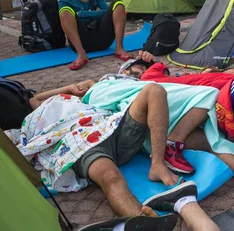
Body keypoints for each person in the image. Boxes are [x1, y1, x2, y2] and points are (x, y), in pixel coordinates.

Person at [11, 82, 219, 231]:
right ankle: (141, 220)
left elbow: (89, 84)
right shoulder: (36, 113)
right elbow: (33, 99)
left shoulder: (78, 98)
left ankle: (157, 163)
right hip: (77, 143)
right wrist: (63, 89)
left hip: (106, 126)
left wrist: (72, 89)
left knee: (154, 90)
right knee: (111, 178)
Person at [59, 0, 132, 70]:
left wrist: (81, 14)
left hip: (102, 40)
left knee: (118, 4)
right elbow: (103, 13)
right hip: (82, 41)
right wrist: (98, 14)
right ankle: (82, 54)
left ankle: (119, 48)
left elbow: (106, 12)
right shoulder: (65, 1)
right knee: (65, 12)